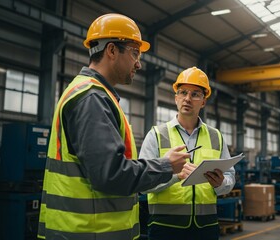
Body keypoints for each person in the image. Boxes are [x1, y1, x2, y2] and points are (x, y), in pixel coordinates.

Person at [37, 13, 190, 240]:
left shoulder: (92, 94)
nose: (138, 63)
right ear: (111, 50)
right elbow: (110, 175)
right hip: (89, 232)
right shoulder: (92, 98)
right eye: (134, 53)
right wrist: (165, 165)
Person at [139, 67, 236, 240]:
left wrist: (220, 183)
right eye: (183, 92)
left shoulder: (216, 137)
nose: (188, 99)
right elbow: (144, 183)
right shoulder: (156, 135)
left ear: (204, 101)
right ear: (176, 97)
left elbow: (230, 178)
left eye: (195, 94)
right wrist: (175, 175)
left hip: (206, 228)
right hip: (165, 227)